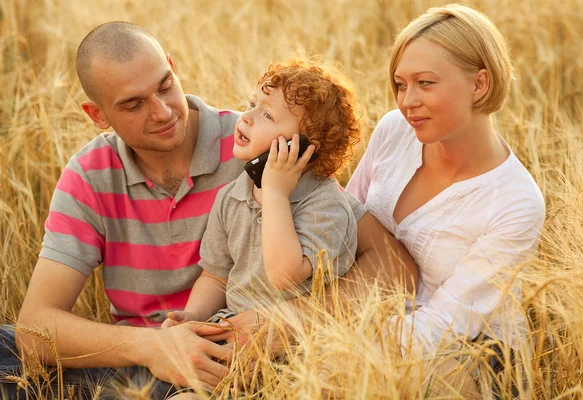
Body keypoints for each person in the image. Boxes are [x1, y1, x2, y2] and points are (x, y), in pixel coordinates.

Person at [0, 21, 416, 399]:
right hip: (140, 367)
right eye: (133, 104)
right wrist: (154, 348)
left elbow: (395, 266)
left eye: (165, 85)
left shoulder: (264, 149)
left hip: (241, 360)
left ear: (172, 67)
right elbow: (35, 329)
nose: (162, 112)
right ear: (97, 115)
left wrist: (289, 320)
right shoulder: (89, 176)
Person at [345, 4, 545, 398]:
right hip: (365, 322)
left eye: (425, 83)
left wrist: (333, 333)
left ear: (479, 85)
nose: (407, 101)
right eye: (401, 84)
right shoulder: (394, 131)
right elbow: (344, 225)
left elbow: (444, 328)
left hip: (467, 357)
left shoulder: (515, 202)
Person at [162, 58, 361, 330]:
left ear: (303, 147)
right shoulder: (232, 196)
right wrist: (193, 315)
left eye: (267, 115)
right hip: (235, 329)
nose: (246, 117)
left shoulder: (325, 205)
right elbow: (217, 276)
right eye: (251, 105)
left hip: (298, 342)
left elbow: (285, 277)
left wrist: (275, 195)